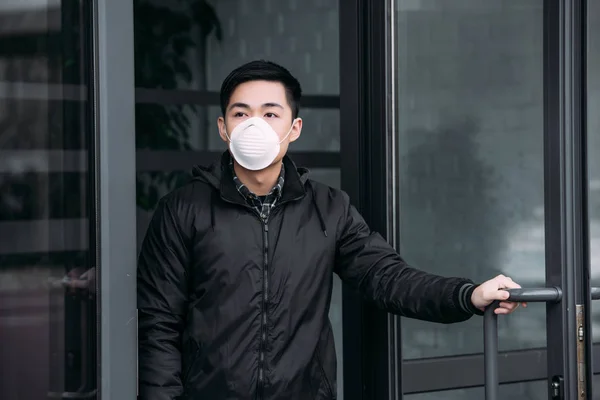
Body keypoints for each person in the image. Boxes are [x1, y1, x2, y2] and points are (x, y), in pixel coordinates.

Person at [136, 60, 525, 400]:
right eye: (241, 114)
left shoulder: (329, 209)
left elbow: (386, 277)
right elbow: (159, 324)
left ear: (295, 127)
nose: (254, 125)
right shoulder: (182, 210)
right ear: (223, 128)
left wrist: (467, 295)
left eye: (270, 114)